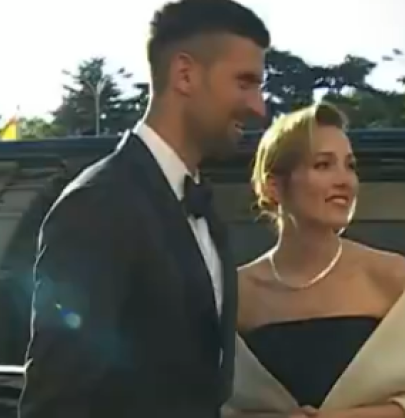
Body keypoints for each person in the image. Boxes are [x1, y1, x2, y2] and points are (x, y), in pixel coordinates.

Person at [18, 1, 270, 417]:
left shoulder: (203, 209)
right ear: (185, 74)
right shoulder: (99, 203)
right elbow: (56, 401)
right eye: (245, 82)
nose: (259, 107)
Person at [223, 103, 405, 418]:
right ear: (274, 186)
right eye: (323, 165)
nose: (345, 181)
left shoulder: (391, 278)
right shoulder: (238, 291)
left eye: (350, 166)